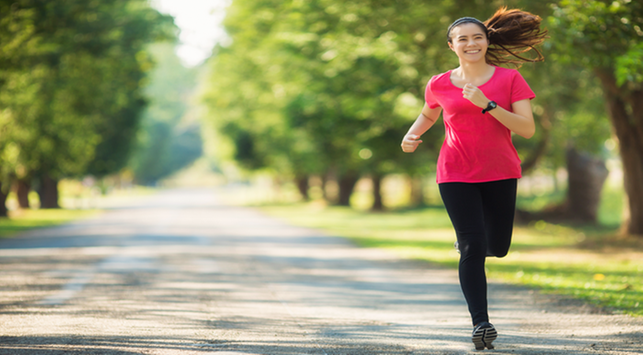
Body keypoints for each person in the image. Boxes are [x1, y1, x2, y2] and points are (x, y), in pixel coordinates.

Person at [400, 7, 547, 351]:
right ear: (451, 45)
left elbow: (526, 129)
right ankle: (481, 322)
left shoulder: (509, 79)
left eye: (477, 37)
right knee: (472, 246)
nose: (471, 43)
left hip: (500, 171)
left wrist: (488, 104)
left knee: (497, 246)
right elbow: (428, 112)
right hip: (455, 172)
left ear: (486, 41)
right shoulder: (438, 83)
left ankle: (475, 244)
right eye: (462, 39)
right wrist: (412, 134)